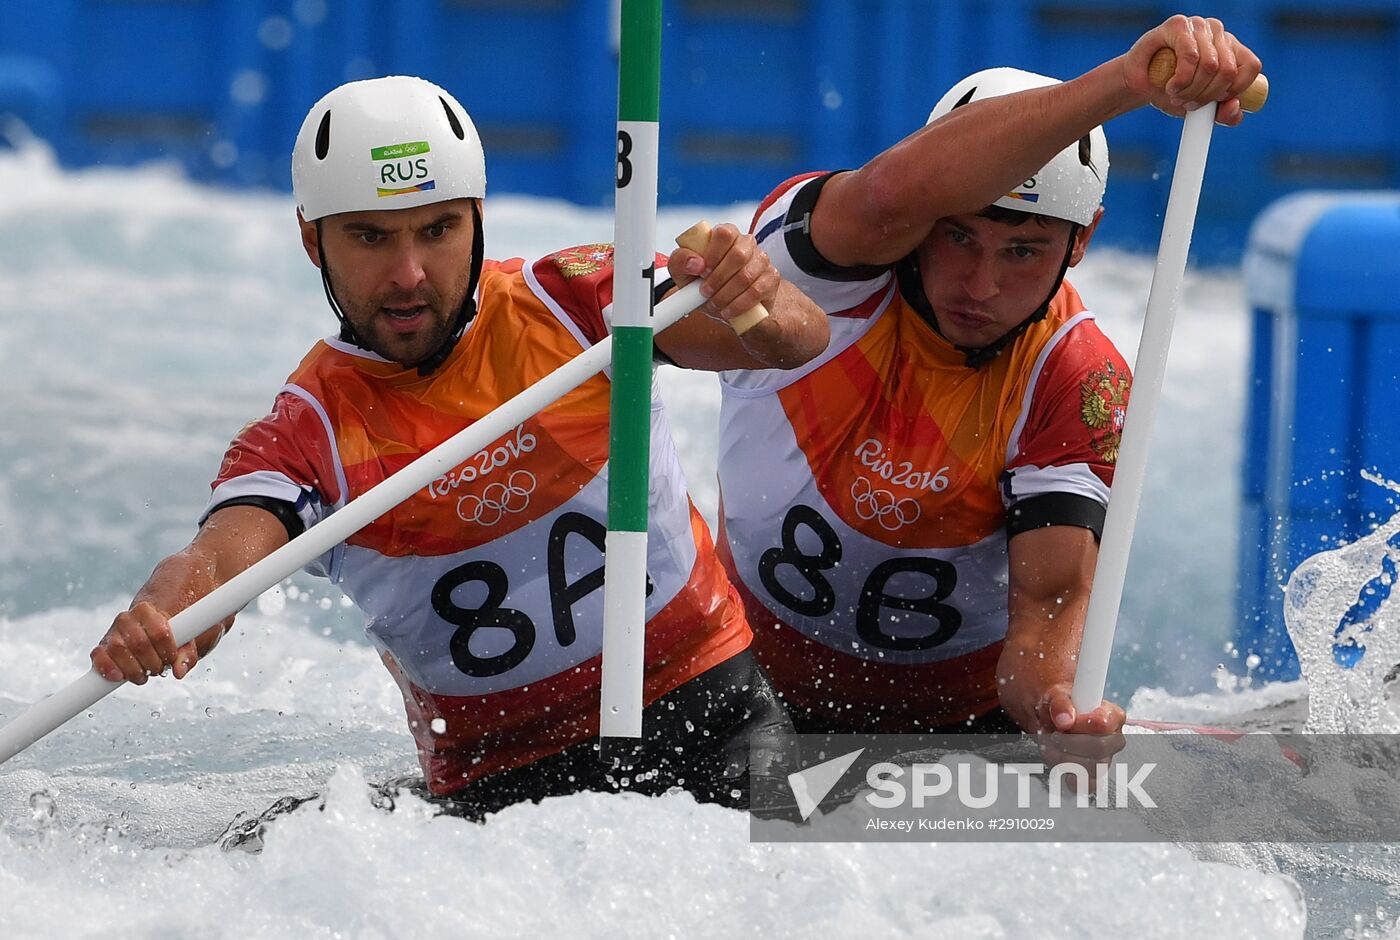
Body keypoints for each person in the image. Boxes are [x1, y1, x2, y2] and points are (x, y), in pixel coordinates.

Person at [88, 75, 829, 818]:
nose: (408, 274)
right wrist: (164, 618)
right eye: (371, 237)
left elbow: (798, 339)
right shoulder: (306, 433)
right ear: (314, 240)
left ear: (477, 220)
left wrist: (752, 295)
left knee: (916, 825)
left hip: (713, 724)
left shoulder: (580, 303)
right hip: (496, 794)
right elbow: (214, 565)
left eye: (438, 230)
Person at [716, 16, 1262, 737]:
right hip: (733, 679)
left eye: (1023, 252)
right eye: (960, 235)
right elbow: (886, 193)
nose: (980, 283)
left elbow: (1047, 616)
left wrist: (1058, 715)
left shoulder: (1078, 381)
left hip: (955, 725)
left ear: (1083, 240)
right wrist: (1127, 82)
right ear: (927, 215)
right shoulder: (819, 271)